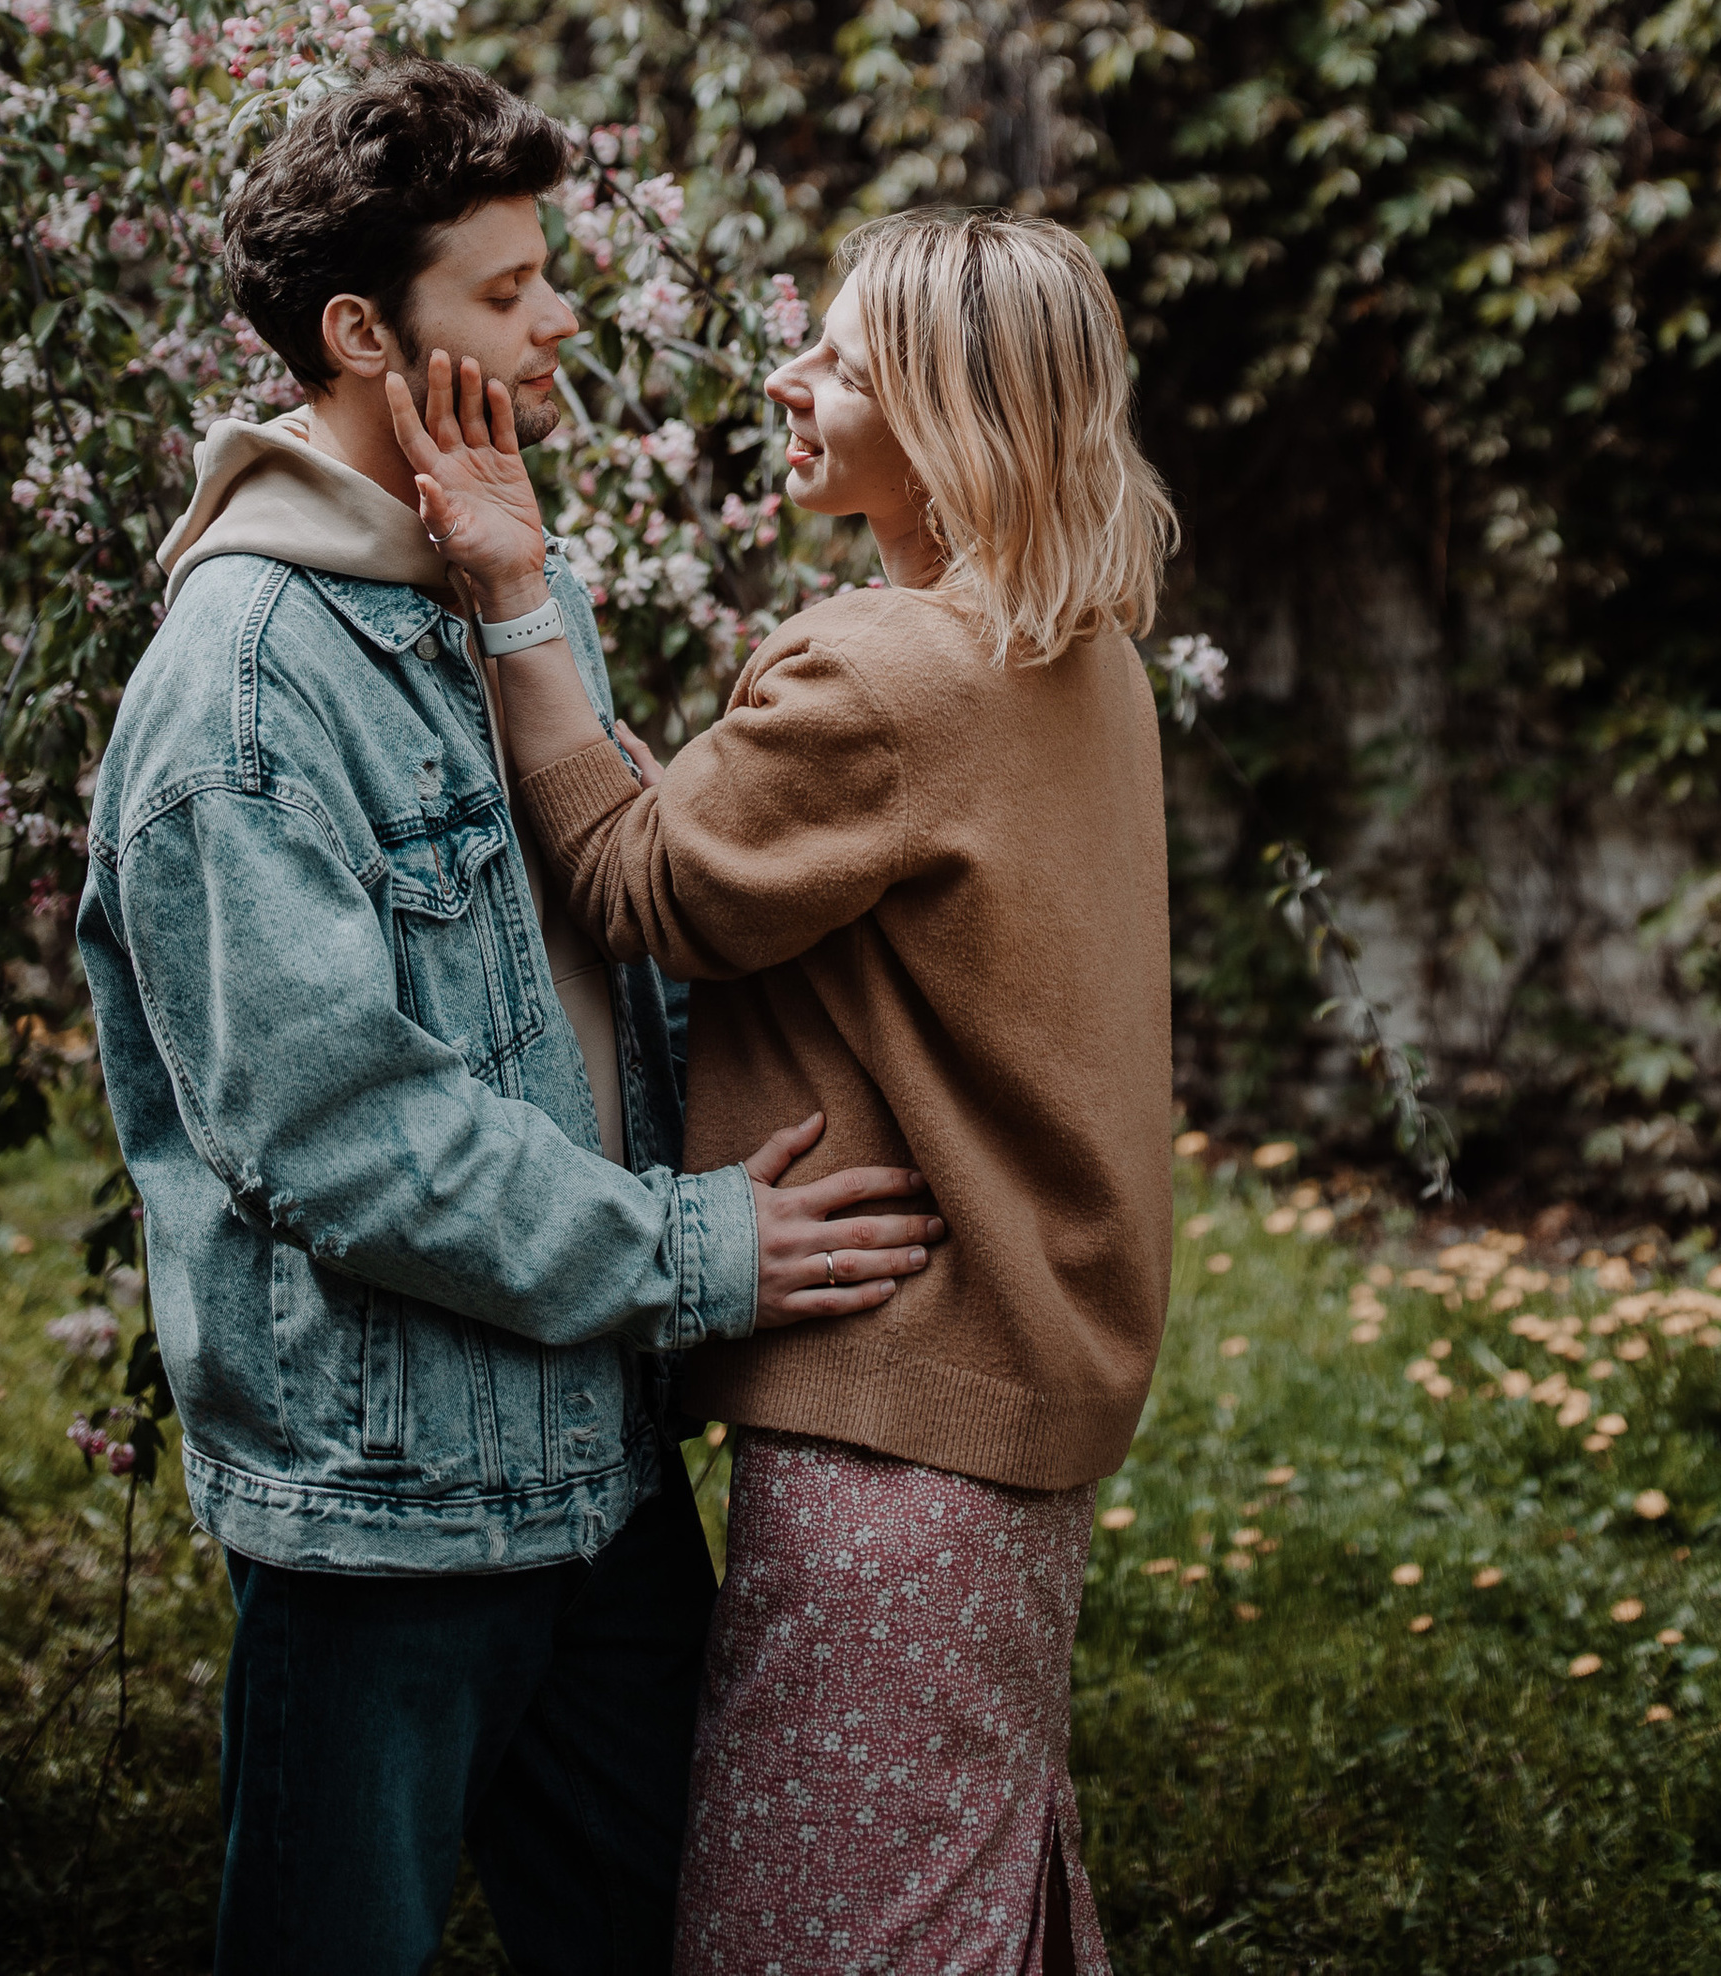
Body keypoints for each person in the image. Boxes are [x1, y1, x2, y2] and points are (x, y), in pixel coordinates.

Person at [77, 61, 946, 1976]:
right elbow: (341, 1133)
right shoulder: (238, 696)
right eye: (509, 289)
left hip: (594, 1469)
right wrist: (696, 1248)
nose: (562, 319)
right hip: (384, 1515)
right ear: (361, 332)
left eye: (553, 277)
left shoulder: (488, 586)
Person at [391, 205, 1176, 1976]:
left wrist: (517, 592)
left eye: (840, 359)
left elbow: (645, 890)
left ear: (955, 414)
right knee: (968, 1886)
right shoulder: (1080, 649)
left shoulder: (882, 672)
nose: (786, 378)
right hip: (1019, 1395)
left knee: (824, 1928)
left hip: (897, 1410)